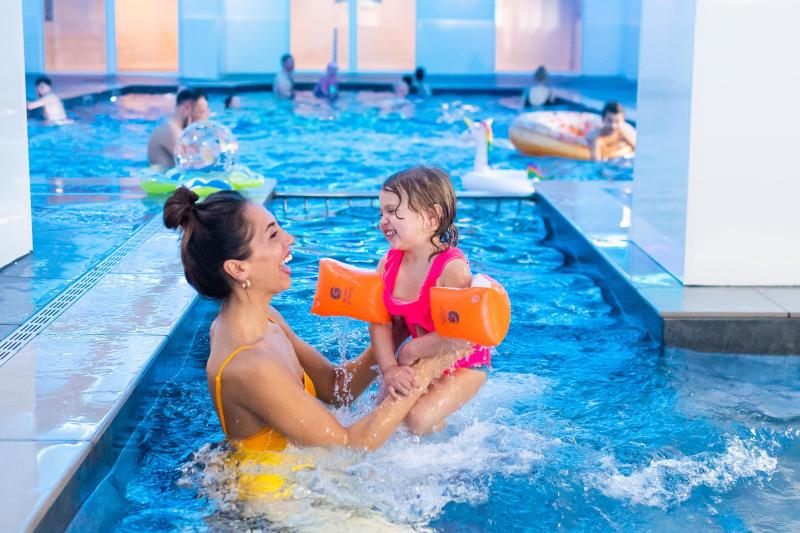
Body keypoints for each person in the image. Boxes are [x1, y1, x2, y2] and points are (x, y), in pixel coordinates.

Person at [162, 187, 470, 452]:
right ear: (238, 269)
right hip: (273, 505)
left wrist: (396, 330)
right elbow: (351, 445)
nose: (290, 239)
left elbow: (335, 388)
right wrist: (429, 366)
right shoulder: (247, 365)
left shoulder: (265, 318)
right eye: (273, 235)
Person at [370, 166, 490, 436]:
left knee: (416, 420)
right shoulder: (387, 265)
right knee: (379, 415)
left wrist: (409, 352)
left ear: (431, 217)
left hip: (466, 363)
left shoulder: (451, 270)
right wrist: (389, 370)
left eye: (392, 212)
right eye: (381, 213)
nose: (383, 221)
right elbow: (379, 324)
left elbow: (461, 338)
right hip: (422, 352)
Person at [146, 88, 199, 170]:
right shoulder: (171, 130)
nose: (205, 118)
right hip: (163, 181)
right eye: (201, 112)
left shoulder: (173, 127)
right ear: (186, 108)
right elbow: (195, 165)